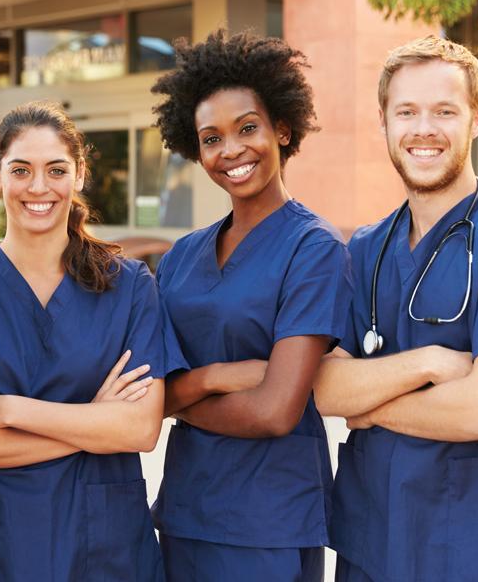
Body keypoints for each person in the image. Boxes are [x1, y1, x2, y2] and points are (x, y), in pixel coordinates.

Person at [314, 35, 478, 582]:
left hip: (476, 546)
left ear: (475, 119)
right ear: (384, 123)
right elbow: (326, 388)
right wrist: (427, 362)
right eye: (406, 111)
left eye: (444, 111)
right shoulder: (365, 250)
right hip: (372, 542)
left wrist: (372, 407)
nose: (423, 129)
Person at [0, 101, 179, 581]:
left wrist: (10, 410)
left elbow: (140, 430)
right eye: (21, 170)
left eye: (56, 170)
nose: (38, 187)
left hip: (103, 544)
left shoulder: (129, 285)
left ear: (80, 174)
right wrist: (94, 422)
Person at [148, 30, 353, 581]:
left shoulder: (314, 249)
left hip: (269, 524)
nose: (231, 150)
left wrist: (179, 400)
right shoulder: (183, 257)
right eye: (210, 138)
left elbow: (274, 411)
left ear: (281, 129)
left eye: (247, 128)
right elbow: (153, 395)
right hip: (186, 513)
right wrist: (219, 375)